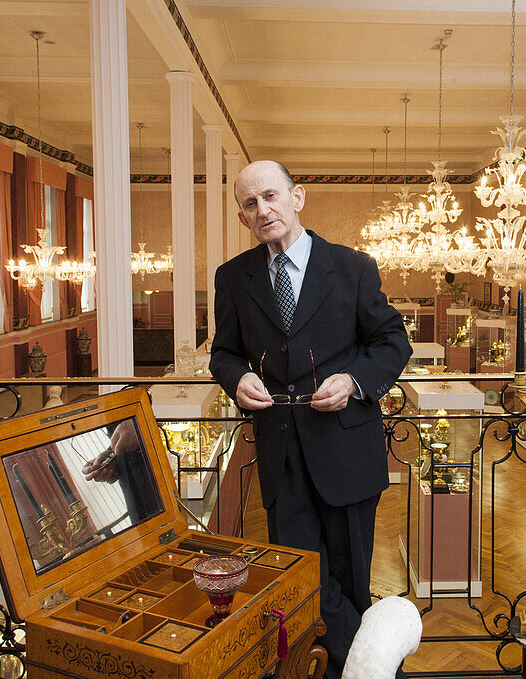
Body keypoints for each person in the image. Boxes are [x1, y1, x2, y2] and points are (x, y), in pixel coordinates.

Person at [210, 160, 411, 678]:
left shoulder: (352, 267)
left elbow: (392, 341)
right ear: (242, 217)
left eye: (272, 196)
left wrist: (353, 381)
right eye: (251, 204)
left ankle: (352, 668)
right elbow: (224, 353)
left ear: (297, 197)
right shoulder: (233, 278)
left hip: (347, 453)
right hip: (281, 456)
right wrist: (236, 379)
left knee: (348, 581)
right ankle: (371, 665)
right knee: (303, 582)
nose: (263, 210)